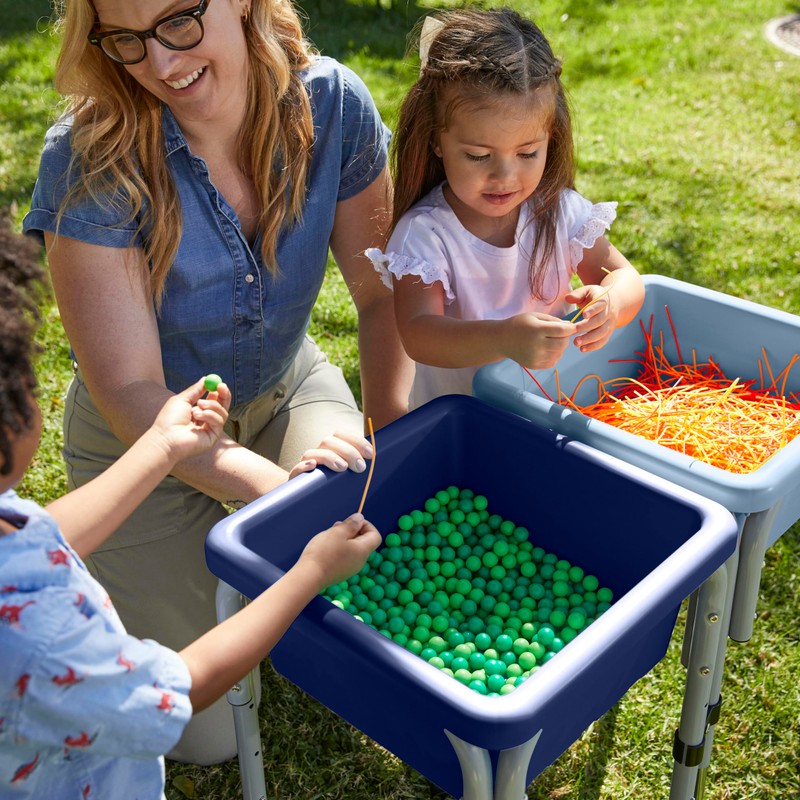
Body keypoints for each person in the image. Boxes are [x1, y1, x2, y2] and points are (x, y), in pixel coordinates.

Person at [22, 0, 412, 763]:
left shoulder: (333, 105)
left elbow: (381, 295)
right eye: (127, 41)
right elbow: (133, 391)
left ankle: (258, 578)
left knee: (363, 563)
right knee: (203, 739)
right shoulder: (87, 155)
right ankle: (154, 577)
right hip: (143, 446)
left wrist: (389, 437)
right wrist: (278, 491)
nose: (162, 64)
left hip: (283, 391)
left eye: (179, 22)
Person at [0, 216, 382, 798]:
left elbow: (39, 537)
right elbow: (178, 687)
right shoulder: (43, 637)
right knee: (210, 734)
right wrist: (309, 574)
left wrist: (159, 444)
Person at [367, 8, 645, 410]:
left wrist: (611, 303)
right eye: (479, 156)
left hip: (552, 410)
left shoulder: (559, 212)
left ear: (551, 138)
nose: (505, 176)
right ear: (436, 141)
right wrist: (503, 338)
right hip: (464, 423)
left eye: (528, 152)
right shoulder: (426, 234)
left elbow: (625, 276)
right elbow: (419, 334)